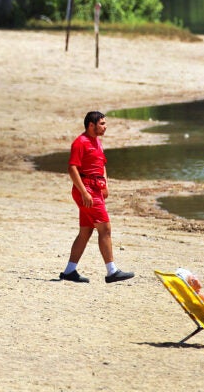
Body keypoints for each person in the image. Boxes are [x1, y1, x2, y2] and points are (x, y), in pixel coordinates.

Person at [60, 111, 134, 284]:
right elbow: (72, 168)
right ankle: (112, 271)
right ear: (91, 125)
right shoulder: (80, 142)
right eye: (102, 123)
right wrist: (84, 192)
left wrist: (105, 184)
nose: (105, 127)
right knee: (105, 228)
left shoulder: (97, 142)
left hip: (95, 189)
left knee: (86, 231)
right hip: (87, 190)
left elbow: (102, 165)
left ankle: (69, 271)